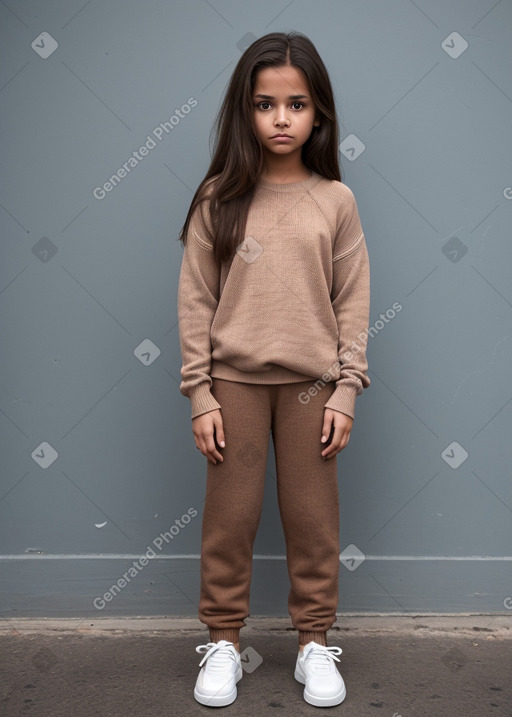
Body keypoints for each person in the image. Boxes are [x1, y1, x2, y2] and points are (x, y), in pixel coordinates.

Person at [177, 30, 371, 708]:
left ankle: (314, 642)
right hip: (232, 383)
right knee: (229, 518)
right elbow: (196, 300)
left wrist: (346, 389)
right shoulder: (218, 200)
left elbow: (353, 301)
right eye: (265, 104)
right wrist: (200, 393)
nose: (281, 119)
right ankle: (224, 640)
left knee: (313, 517)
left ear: (319, 112)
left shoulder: (335, 203)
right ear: (245, 111)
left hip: (313, 387)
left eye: (297, 104)